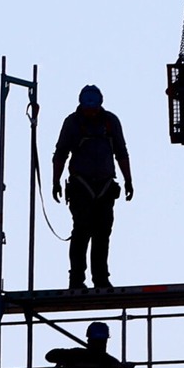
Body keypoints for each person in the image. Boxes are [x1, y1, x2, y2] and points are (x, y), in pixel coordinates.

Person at [52, 85, 133, 289]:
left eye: (94, 103)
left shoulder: (110, 122)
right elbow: (60, 154)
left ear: (100, 102)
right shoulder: (72, 123)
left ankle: (101, 278)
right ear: (81, 102)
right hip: (81, 186)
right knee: (81, 231)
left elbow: (121, 152)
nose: (90, 108)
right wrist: (55, 181)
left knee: (102, 233)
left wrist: (128, 180)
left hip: (105, 186)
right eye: (87, 102)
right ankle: (76, 279)